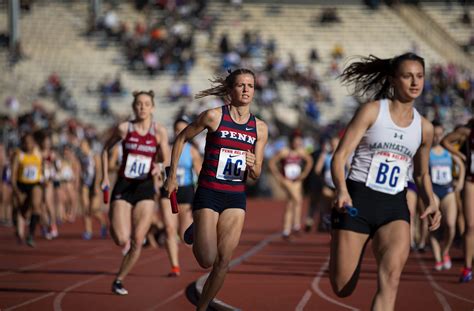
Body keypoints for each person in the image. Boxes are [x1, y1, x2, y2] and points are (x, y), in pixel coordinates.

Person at [330, 53, 441, 310]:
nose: (415, 82)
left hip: (394, 206)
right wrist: (342, 191)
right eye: (407, 76)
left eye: (419, 76)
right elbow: (340, 157)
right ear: (393, 79)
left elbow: (421, 174)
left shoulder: (425, 128)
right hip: (357, 200)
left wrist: (431, 200)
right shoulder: (372, 111)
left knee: (390, 280)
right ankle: (337, 237)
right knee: (342, 287)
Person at [164, 69, 268, 311]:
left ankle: (201, 308)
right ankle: (197, 227)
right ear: (230, 90)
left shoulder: (260, 128)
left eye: (250, 86)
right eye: (240, 85)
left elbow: (256, 174)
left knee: (223, 262)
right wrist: (172, 176)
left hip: (235, 196)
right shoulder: (213, 116)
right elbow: (181, 138)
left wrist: (254, 165)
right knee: (206, 260)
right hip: (209, 193)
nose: (245, 89)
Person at [101, 90, 169, 295]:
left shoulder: (159, 131)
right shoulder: (124, 129)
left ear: (152, 108)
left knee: (138, 240)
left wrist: (159, 166)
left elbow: (165, 158)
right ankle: (116, 231)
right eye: (138, 104)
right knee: (121, 239)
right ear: (134, 107)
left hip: (145, 187)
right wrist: (104, 177)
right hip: (123, 185)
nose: (142, 107)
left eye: (146, 104)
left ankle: (119, 280)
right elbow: (105, 150)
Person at [160, 116, 203, 277]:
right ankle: (175, 266)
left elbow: (199, 173)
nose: (180, 132)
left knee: (185, 235)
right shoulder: (168, 149)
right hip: (168, 191)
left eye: (183, 129)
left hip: (186, 190)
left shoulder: (192, 151)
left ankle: (205, 257)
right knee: (169, 229)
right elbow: (160, 165)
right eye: (177, 129)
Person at [429, 120, 465, 271]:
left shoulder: (448, 152)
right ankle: (438, 258)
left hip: (448, 189)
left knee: (450, 224)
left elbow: (461, 165)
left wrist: (461, 181)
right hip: (433, 190)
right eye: (434, 135)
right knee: (434, 226)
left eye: (439, 134)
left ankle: (445, 251)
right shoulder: (426, 152)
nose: (437, 138)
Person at [442, 118, 474, 282]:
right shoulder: (467, 132)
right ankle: (467, 267)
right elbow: (445, 141)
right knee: (470, 225)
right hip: (471, 181)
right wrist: (461, 155)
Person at [268, 130, 313, 239]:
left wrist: (304, 174)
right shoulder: (284, 151)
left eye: (299, 142)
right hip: (287, 180)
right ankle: (296, 226)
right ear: (291, 141)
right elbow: (271, 163)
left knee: (290, 204)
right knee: (297, 199)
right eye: (295, 142)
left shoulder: (301, 152)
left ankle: (286, 231)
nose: (297, 144)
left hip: (297, 180)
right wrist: (278, 177)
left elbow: (310, 161)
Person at [11, 133, 44, 247]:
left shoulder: (38, 153)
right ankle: (18, 228)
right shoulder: (19, 155)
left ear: (34, 143)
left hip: (35, 184)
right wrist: (16, 190)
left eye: (30, 142)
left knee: (36, 206)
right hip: (22, 185)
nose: (28, 144)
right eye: (26, 142)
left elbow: (44, 166)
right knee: (23, 210)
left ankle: (30, 235)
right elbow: (13, 175)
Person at [79, 138, 107, 240]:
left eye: (83, 144)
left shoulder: (94, 156)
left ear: (88, 145)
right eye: (80, 145)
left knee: (93, 209)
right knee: (85, 208)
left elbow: (99, 171)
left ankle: (103, 223)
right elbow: (81, 171)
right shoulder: (82, 157)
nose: (81, 147)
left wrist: (96, 185)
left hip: (94, 184)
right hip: (85, 184)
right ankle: (88, 230)